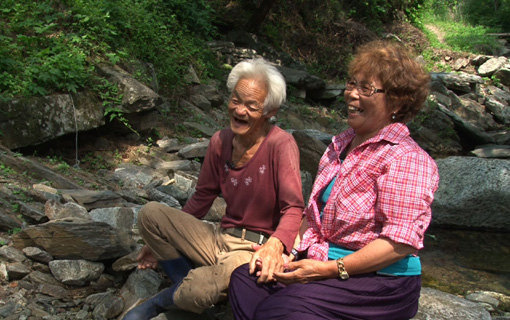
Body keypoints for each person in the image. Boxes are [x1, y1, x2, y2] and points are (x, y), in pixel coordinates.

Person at [228, 40, 440, 320]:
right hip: (321, 261)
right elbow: (313, 217)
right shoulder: (340, 146)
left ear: (397, 102)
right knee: (246, 278)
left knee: (283, 308)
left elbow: (399, 244)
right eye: (352, 84)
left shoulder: (406, 158)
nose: (351, 94)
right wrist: (282, 249)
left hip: (380, 281)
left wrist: (329, 270)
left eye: (365, 88)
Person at [123, 58, 304, 320]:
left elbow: (294, 207)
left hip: (251, 250)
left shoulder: (281, 144)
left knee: (198, 288)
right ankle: (187, 288)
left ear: (269, 111)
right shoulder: (220, 141)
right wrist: (167, 236)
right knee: (150, 214)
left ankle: (167, 299)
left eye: (251, 106)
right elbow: (203, 196)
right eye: (236, 100)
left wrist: (276, 246)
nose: (239, 110)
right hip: (218, 238)